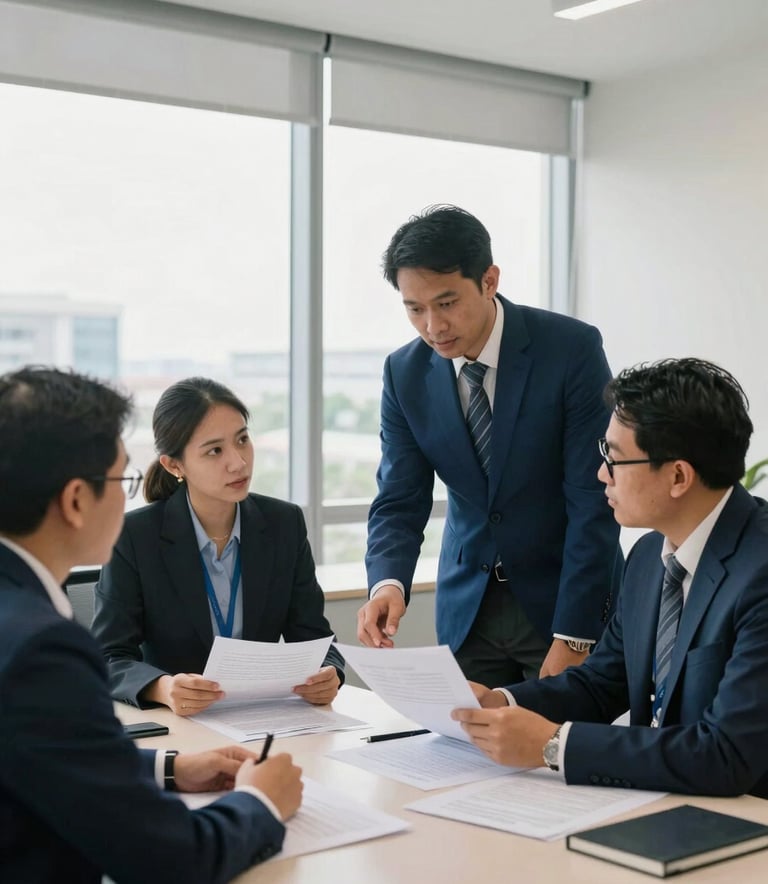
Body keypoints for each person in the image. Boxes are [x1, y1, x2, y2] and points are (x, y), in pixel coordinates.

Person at [0, 366, 303, 883]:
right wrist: (260, 802)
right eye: (124, 479)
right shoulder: (42, 648)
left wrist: (167, 768)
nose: (133, 497)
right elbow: (171, 859)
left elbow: (39, 754)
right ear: (76, 500)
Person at [452, 357, 768, 798]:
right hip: (659, 807)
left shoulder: (760, 574)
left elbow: (725, 754)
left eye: (613, 458)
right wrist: (502, 703)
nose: (601, 473)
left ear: (678, 476)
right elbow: (600, 684)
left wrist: (551, 746)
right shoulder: (645, 557)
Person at [358, 205, 621, 684]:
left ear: (489, 280)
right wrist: (388, 582)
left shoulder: (570, 349)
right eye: (414, 309)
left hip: (560, 604)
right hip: (467, 613)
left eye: (447, 302)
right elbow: (400, 497)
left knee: (560, 751)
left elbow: (592, 497)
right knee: (461, 754)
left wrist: (576, 634)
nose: (433, 326)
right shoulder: (404, 373)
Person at [93, 377, 344, 715]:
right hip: (182, 724)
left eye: (242, 440)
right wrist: (163, 688)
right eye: (215, 450)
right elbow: (108, 657)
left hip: (265, 718)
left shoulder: (284, 524)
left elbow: (316, 639)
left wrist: (330, 673)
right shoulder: (135, 537)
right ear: (174, 465)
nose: (238, 462)